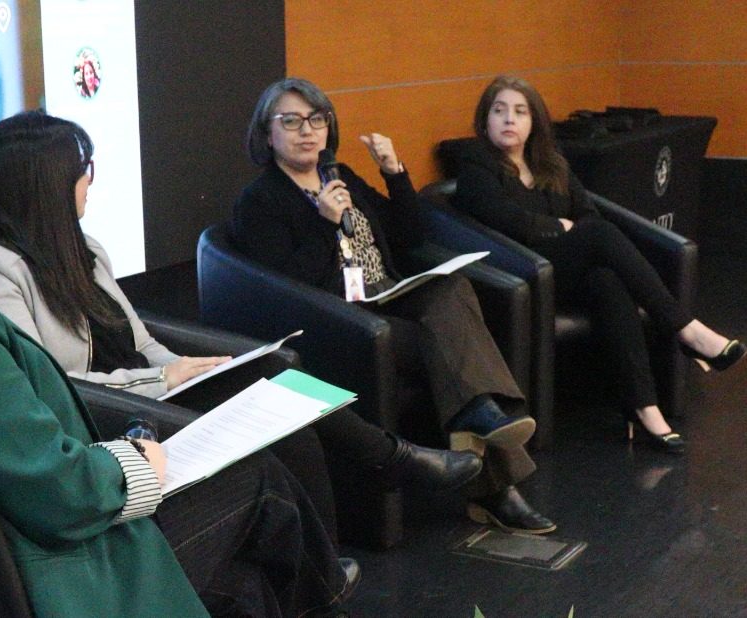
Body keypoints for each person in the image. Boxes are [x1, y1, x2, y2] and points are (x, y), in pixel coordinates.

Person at [0, 54, 352, 618]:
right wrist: (134, 462)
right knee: (259, 484)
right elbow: (62, 494)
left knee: (246, 585)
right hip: (48, 581)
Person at [0, 111, 487, 549]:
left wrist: (184, 367)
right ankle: (391, 465)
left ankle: (341, 529)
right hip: (101, 415)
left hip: (145, 388)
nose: (89, 181)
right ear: (48, 184)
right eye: (82, 169)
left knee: (276, 376)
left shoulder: (83, 248)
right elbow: (51, 384)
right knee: (270, 406)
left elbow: (138, 341)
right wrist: (160, 381)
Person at [232, 78, 556, 534]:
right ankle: (494, 471)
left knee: (452, 289)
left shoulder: (340, 175)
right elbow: (285, 288)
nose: (306, 130)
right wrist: (324, 224)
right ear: (267, 134)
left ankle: (482, 418)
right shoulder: (260, 201)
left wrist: (394, 173)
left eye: (316, 119)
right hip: (344, 319)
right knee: (446, 346)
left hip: (388, 294)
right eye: (291, 121)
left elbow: (409, 236)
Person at [452, 75, 747, 453]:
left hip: (565, 270)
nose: (509, 119)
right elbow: (501, 218)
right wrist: (557, 227)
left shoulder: (551, 165)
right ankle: (685, 329)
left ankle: (645, 409)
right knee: (599, 235)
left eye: (520, 112)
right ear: (485, 121)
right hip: (518, 273)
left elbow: (588, 213)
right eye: (499, 111)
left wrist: (567, 230)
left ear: (534, 122)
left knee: (607, 280)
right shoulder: (475, 164)